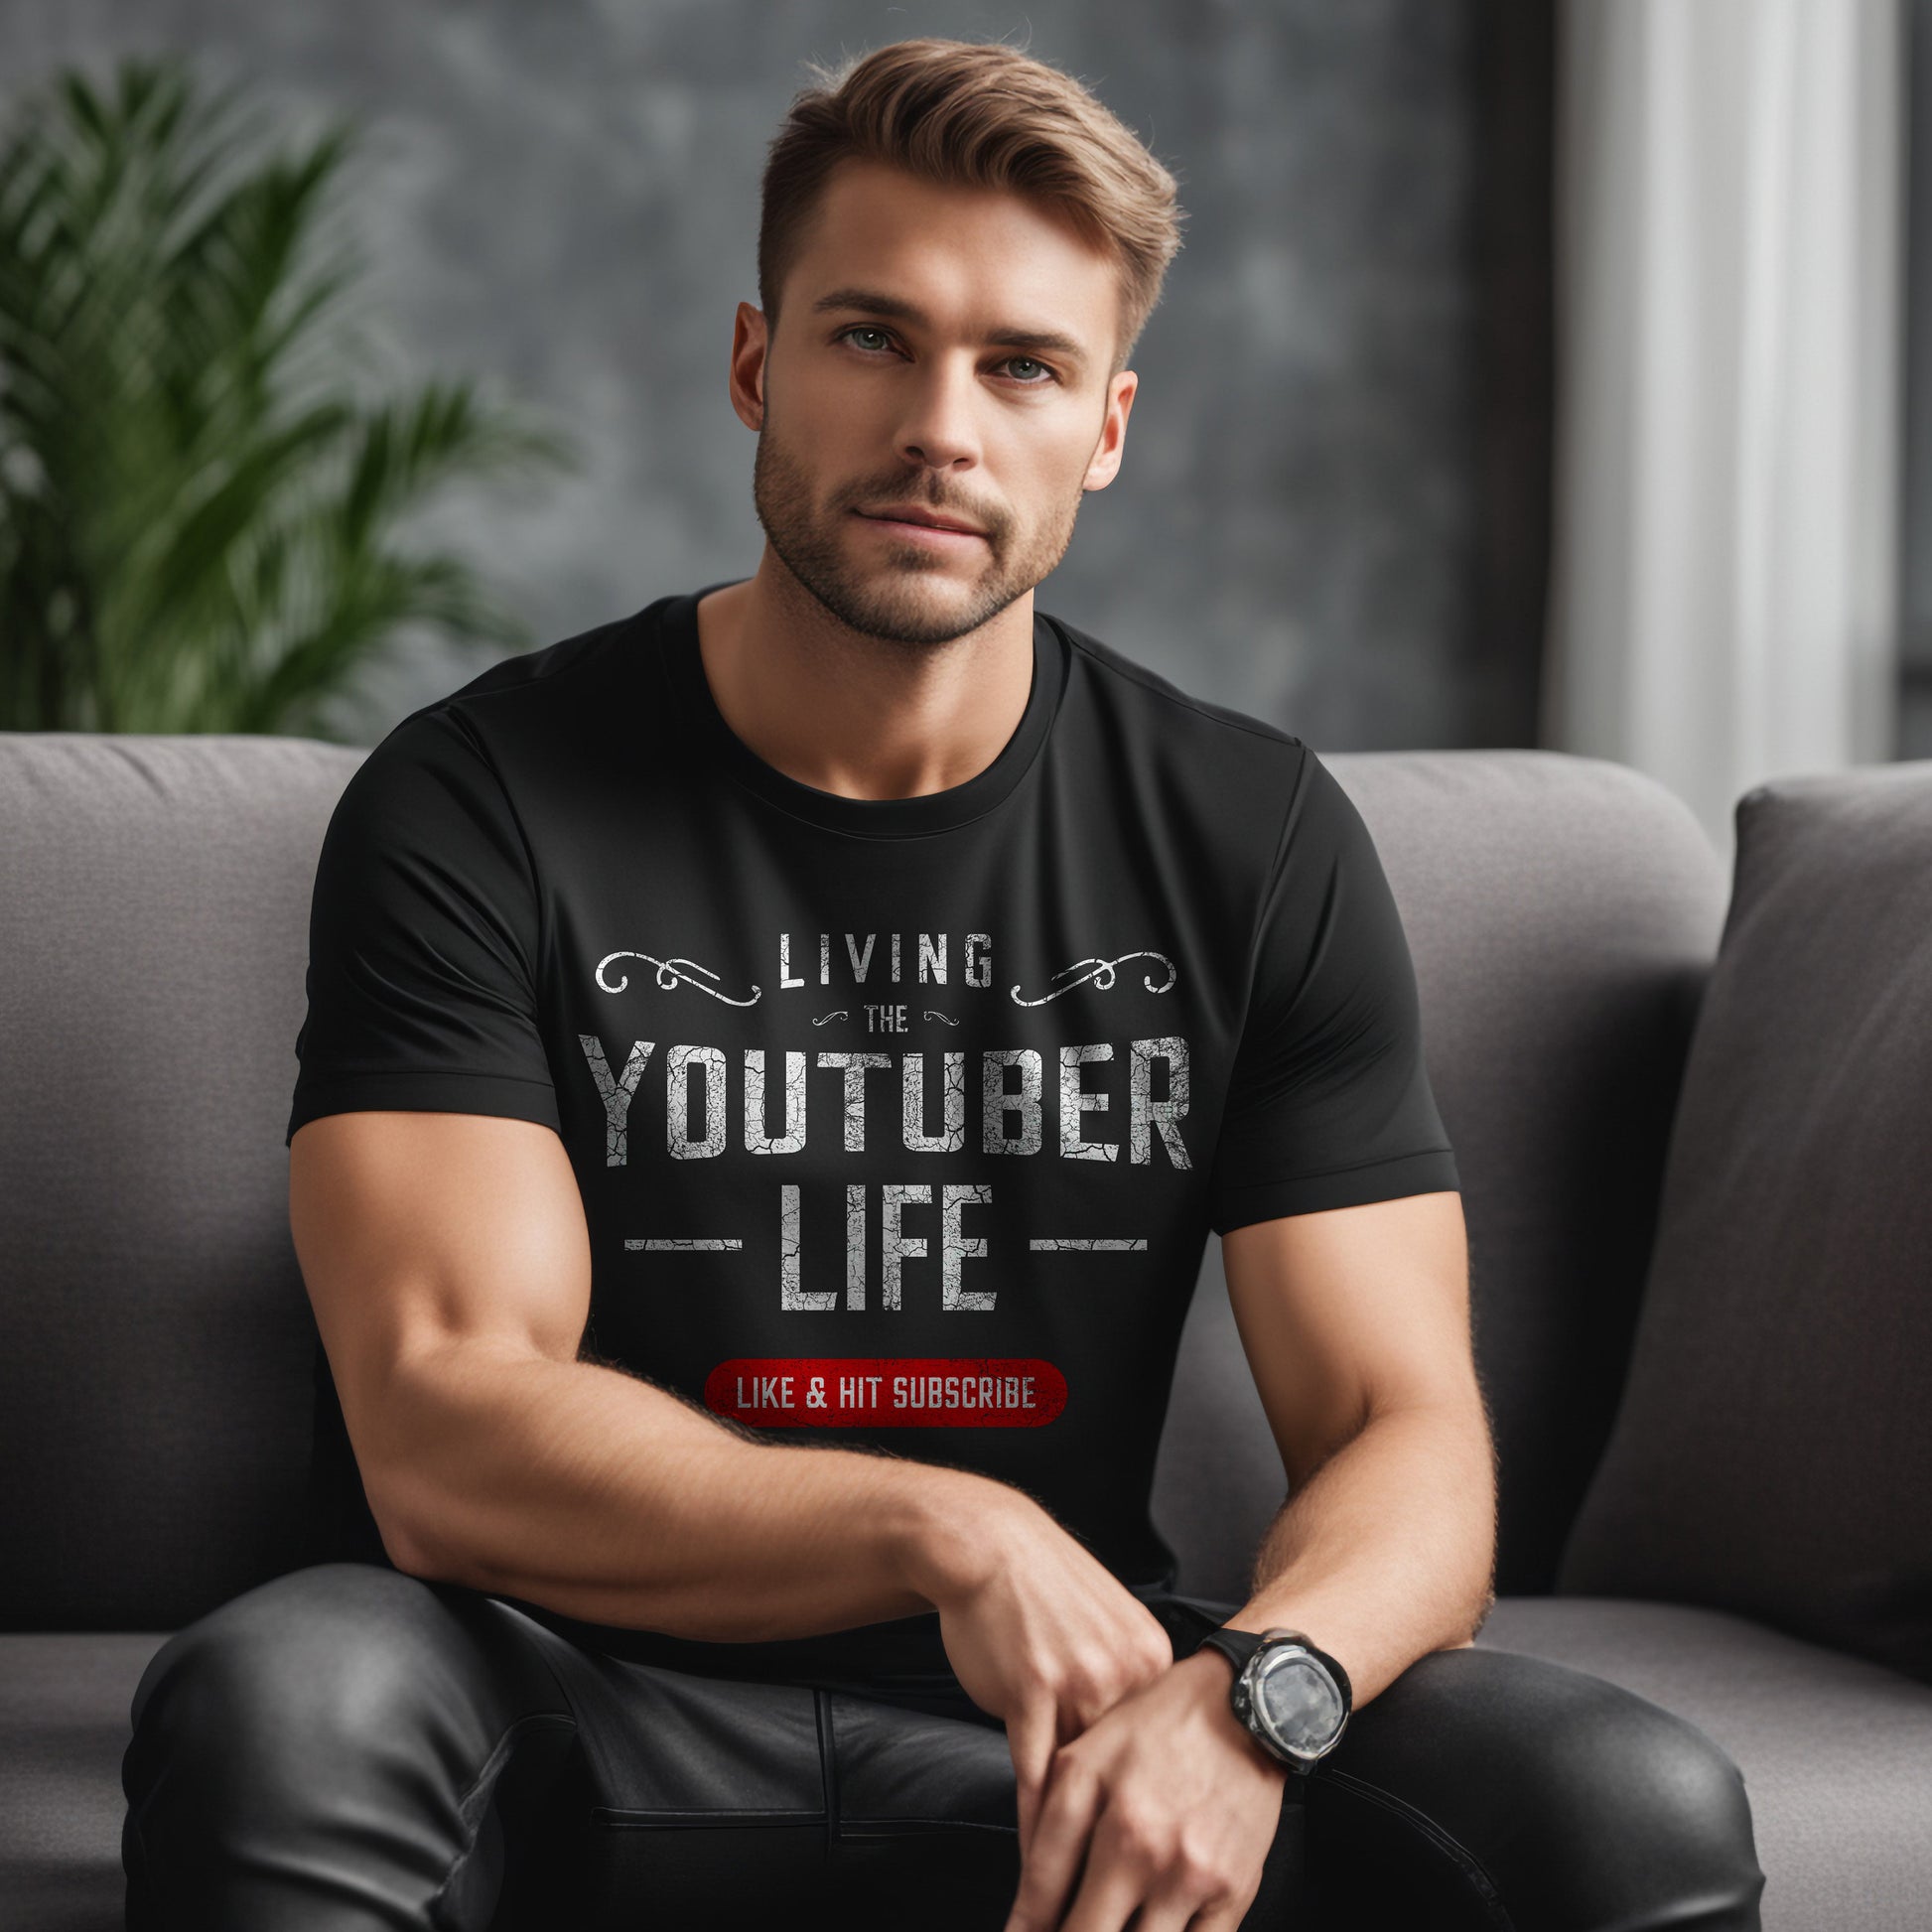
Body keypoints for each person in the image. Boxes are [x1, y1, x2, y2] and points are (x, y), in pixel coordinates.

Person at [121, 34, 1766, 1932]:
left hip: (1067, 1718)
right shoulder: (480, 797)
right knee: (285, 1697)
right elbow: (443, 1422)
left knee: (1627, 1804)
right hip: (558, 1694)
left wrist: (1253, 1697)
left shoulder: (1252, 832)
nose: (942, 427)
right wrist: (936, 1517)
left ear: (1108, 429)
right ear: (756, 365)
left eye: (1023, 366)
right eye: (870, 339)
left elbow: (1409, 1433)